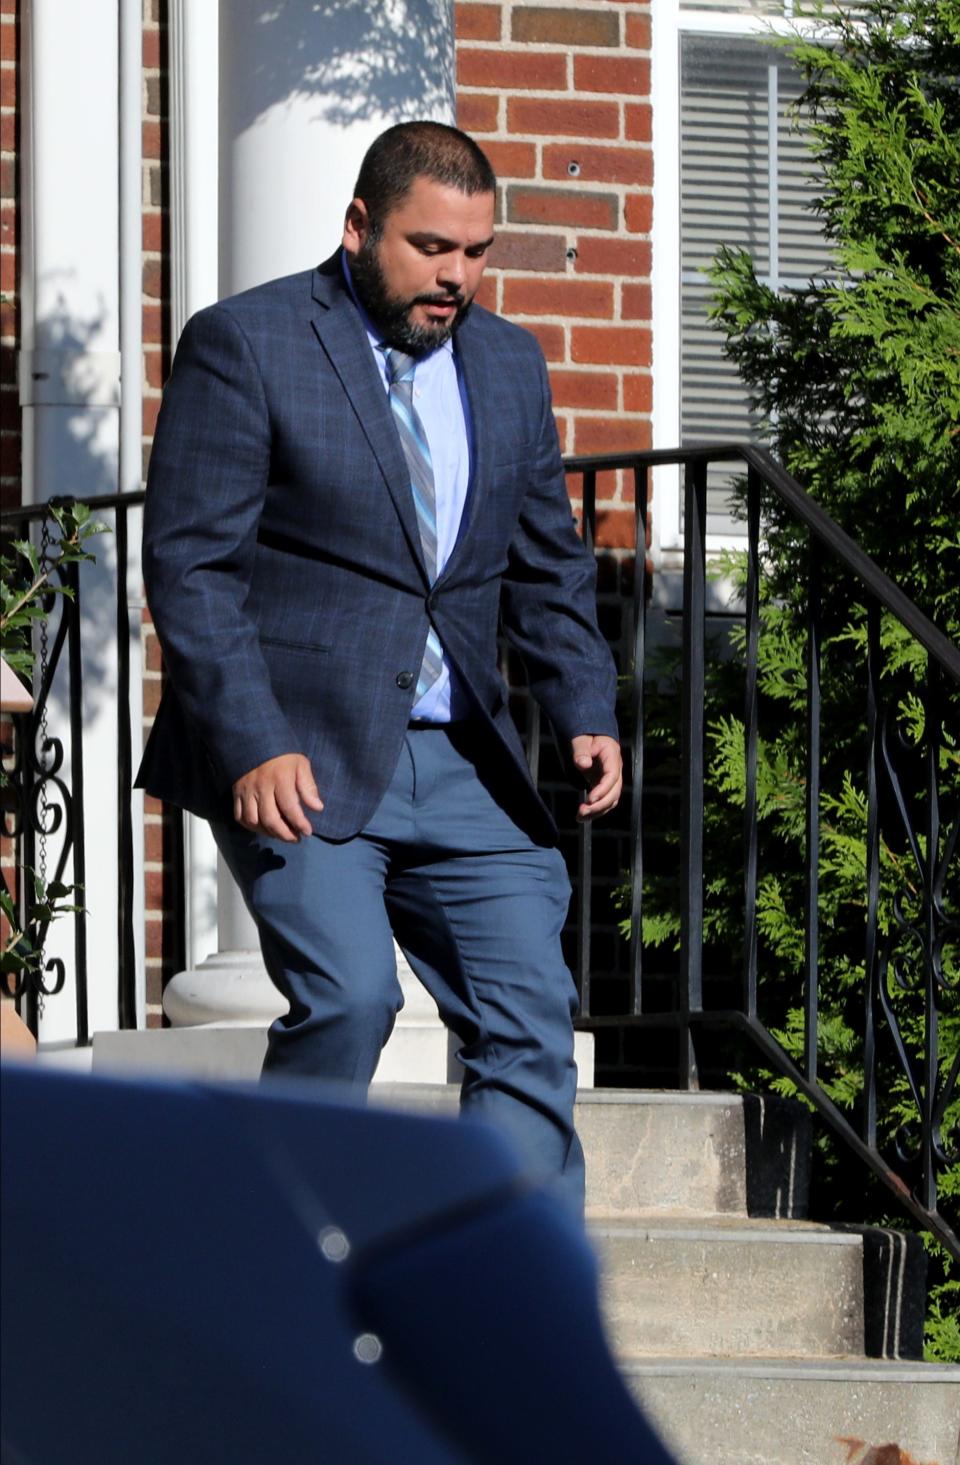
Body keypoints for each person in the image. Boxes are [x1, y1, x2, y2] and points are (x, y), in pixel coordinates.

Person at [137, 121, 622, 1215]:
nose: (457, 276)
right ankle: (271, 1251)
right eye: (431, 246)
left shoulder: (508, 364)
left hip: (463, 760)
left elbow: (545, 560)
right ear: (359, 226)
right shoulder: (248, 343)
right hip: (303, 751)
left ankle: (503, 1290)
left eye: (477, 251)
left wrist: (583, 701)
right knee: (351, 999)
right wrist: (252, 738)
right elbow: (192, 566)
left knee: (530, 1020)